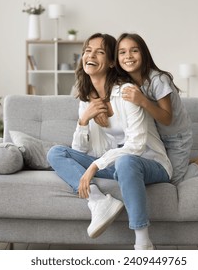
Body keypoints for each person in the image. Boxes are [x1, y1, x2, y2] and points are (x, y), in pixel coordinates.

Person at [47, 33, 173, 250]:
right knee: (56, 152)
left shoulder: (126, 93)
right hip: (114, 165)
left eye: (100, 51)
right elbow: (79, 151)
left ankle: (143, 244)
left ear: (112, 61)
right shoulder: (87, 100)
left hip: (151, 163)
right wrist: (83, 120)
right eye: (88, 50)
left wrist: (95, 166)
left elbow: (136, 146)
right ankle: (98, 201)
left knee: (126, 161)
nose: (91, 54)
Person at [115, 33, 198, 185]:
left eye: (134, 50)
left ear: (143, 53)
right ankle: (184, 163)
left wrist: (142, 100)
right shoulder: (126, 82)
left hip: (177, 137)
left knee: (173, 179)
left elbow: (167, 118)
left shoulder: (158, 80)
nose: (128, 56)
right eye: (122, 52)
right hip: (156, 138)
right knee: (159, 170)